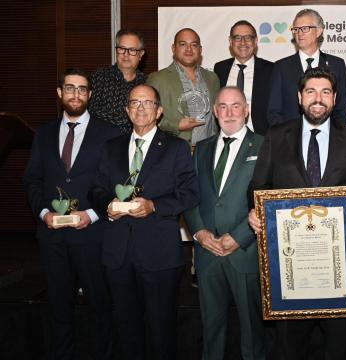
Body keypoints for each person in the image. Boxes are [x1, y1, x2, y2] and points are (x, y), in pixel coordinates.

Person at [248, 67, 346, 360]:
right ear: (299, 97)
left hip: (339, 266)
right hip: (291, 268)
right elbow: (258, 187)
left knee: (340, 345)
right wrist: (254, 213)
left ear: (335, 99)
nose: (317, 99)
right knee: (290, 346)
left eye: (325, 92)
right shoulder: (276, 135)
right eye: (311, 91)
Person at [90, 84, 199, 360]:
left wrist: (154, 206)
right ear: (127, 110)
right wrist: (107, 206)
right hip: (118, 253)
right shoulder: (110, 148)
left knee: (161, 330)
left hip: (159, 254)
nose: (140, 107)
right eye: (135, 103)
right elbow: (96, 189)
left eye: (147, 103)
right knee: (126, 329)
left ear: (159, 111)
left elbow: (189, 193)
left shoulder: (176, 148)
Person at [24, 67, 119, 360]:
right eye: (69, 88)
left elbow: (117, 183)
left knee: (100, 307)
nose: (75, 94)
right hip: (53, 238)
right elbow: (32, 179)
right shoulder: (43, 134)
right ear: (59, 93)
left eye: (81, 89)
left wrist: (92, 214)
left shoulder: (111, 134)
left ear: (89, 95)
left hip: (93, 235)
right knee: (59, 308)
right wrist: (43, 213)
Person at [184, 87, 265, 360]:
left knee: (252, 331)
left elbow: (267, 200)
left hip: (245, 252)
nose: (229, 113)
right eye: (223, 106)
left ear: (247, 109)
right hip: (207, 253)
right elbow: (190, 196)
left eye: (236, 106)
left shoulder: (264, 146)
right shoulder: (202, 149)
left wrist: (239, 236)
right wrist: (199, 233)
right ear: (215, 111)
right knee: (211, 328)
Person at [267, 8, 346, 125]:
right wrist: (286, 139)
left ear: (319, 31)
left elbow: (342, 108)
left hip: (328, 138)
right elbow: (274, 111)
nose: (299, 33)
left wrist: (335, 139)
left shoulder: (336, 65)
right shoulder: (281, 67)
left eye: (305, 29)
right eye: (295, 29)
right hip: (290, 138)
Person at [148, 28, 220, 145]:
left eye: (194, 45)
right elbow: (147, 116)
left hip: (208, 151)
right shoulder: (157, 79)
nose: (189, 49)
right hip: (174, 151)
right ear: (173, 48)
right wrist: (176, 125)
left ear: (200, 50)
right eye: (183, 44)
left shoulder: (212, 78)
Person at [214, 20, 273, 136]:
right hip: (227, 136)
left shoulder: (271, 70)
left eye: (248, 37)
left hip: (261, 139)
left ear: (255, 41)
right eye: (237, 38)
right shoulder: (220, 68)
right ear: (230, 41)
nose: (243, 42)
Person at [89, 28, 147, 134]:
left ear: (141, 54)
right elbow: (88, 115)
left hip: (134, 145)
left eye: (132, 50)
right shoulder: (98, 78)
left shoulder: (147, 84)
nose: (126, 54)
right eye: (122, 49)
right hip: (101, 144)